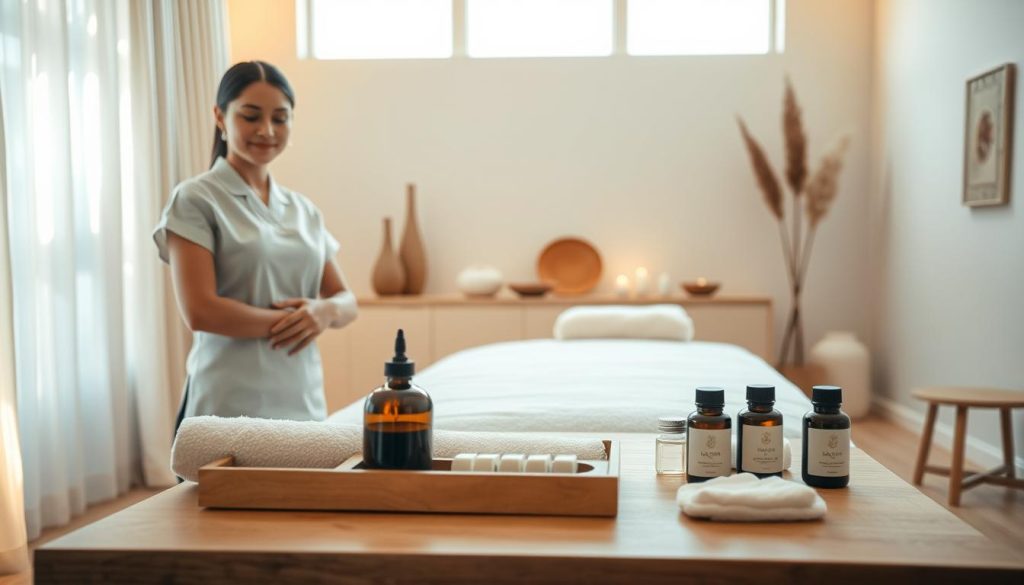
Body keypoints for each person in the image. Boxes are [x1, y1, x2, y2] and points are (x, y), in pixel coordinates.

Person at [153, 61, 357, 433]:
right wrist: (294, 322)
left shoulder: (303, 210)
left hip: (303, 402)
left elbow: (346, 301)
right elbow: (201, 311)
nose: (266, 130)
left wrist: (323, 312)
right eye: (251, 116)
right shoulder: (196, 199)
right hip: (226, 405)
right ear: (220, 116)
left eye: (280, 118)